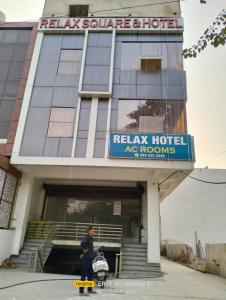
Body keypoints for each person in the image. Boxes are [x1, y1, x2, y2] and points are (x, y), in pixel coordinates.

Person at [79, 225, 97, 296]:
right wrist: (85, 248)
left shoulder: (90, 238)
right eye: (93, 231)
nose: (94, 232)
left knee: (90, 275)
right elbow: (82, 243)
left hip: (90, 259)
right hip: (86, 259)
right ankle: (81, 292)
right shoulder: (86, 238)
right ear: (89, 231)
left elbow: (88, 249)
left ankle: (90, 290)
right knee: (83, 275)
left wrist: (85, 251)